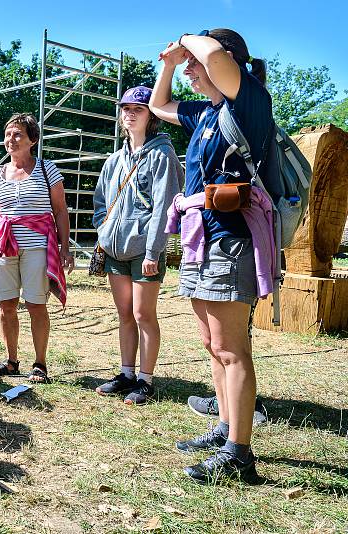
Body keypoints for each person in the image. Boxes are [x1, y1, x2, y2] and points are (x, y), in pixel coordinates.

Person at [149, 29, 274, 483]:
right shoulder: (207, 112)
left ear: (228, 64)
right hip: (204, 236)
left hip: (233, 237)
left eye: (192, 62)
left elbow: (217, 53)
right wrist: (168, 62)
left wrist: (189, 35)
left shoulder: (248, 100)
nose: (188, 69)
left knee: (231, 348)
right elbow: (158, 107)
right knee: (211, 344)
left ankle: (239, 454)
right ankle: (225, 427)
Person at [92, 86, 184, 405]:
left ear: (152, 115)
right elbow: (101, 200)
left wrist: (153, 251)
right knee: (125, 314)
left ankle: (146, 380)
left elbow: (165, 207)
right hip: (116, 250)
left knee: (144, 314)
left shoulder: (163, 155)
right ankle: (126, 373)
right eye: (126, 108)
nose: (130, 113)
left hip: (146, 252)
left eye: (138, 109)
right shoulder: (116, 159)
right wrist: (104, 234)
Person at [0, 113, 74, 384]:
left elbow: (60, 210)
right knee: (5, 306)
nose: (11, 139)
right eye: (8, 134)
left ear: (32, 140)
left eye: (18, 134)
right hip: (3, 248)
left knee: (36, 305)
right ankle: (11, 361)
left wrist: (64, 247)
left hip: (37, 248)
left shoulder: (47, 169)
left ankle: (40, 364)